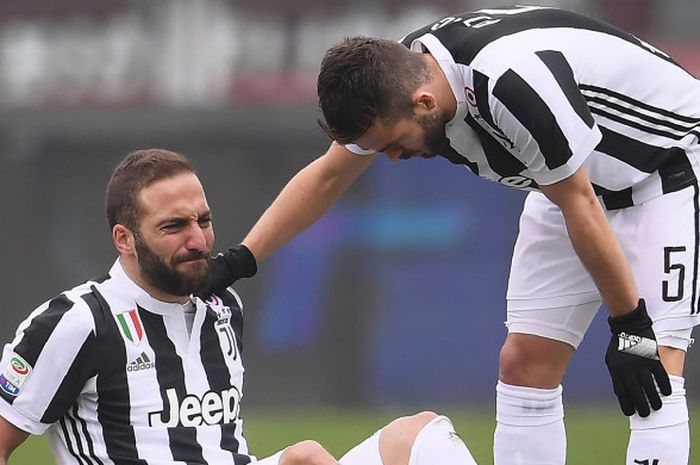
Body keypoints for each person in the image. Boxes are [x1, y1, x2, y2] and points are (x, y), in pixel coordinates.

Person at [210, 5, 700, 465]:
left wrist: (630, 324)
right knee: (524, 363)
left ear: (424, 102)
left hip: (663, 172)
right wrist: (239, 260)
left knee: (653, 370)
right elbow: (327, 176)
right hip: (573, 185)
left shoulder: (509, 84)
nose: (395, 159)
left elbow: (581, 205)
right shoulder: (400, 78)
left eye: (396, 144)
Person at [0, 148, 479, 465]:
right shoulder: (77, 322)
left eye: (203, 220)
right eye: (173, 227)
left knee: (421, 438)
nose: (197, 240)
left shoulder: (223, 306)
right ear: (124, 239)